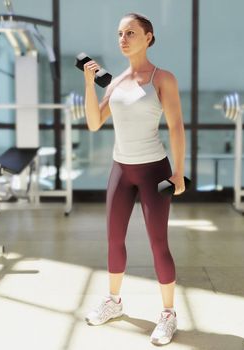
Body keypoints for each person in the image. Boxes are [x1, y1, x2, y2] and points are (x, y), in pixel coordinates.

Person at [81, 12, 186, 346]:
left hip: (155, 171)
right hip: (121, 169)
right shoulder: (115, 82)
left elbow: (176, 126)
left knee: (158, 244)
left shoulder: (162, 78)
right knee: (114, 240)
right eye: (119, 34)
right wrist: (88, 83)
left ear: (148, 37)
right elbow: (95, 122)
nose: (123, 39)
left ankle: (168, 314)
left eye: (130, 33)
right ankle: (113, 301)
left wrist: (179, 172)